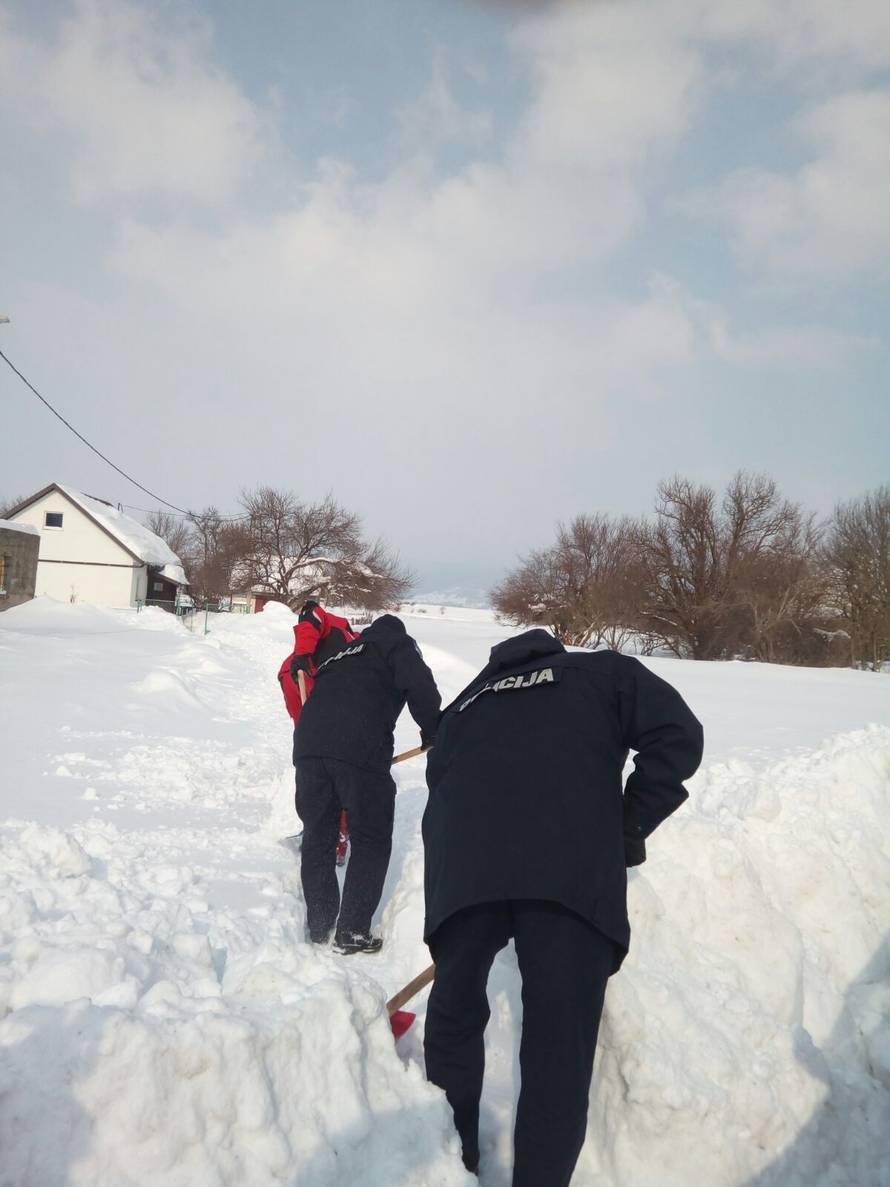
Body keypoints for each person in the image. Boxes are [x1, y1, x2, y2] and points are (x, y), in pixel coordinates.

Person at [422, 628, 703, 1185]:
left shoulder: (465, 704)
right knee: (558, 1045)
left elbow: (440, 786)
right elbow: (678, 733)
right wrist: (625, 827)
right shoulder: (602, 674)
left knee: (453, 1016)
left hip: (467, 871)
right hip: (569, 872)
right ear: (552, 651)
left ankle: (451, 1166)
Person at [294, 613, 441, 954]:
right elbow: (419, 682)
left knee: (318, 835)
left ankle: (319, 925)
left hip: (308, 748)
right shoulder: (395, 643)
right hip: (358, 747)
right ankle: (352, 931)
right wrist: (434, 730)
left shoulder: (342, 653)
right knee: (371, 837)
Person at [277, 600, 357, 861]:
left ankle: (336, 838)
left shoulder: (327, 624)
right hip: (303, 695)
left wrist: (301, 655)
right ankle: (319, 830)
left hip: (320, 702)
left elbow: (312, 617)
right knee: (317, 770)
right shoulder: (344, 635)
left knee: (330, 771)